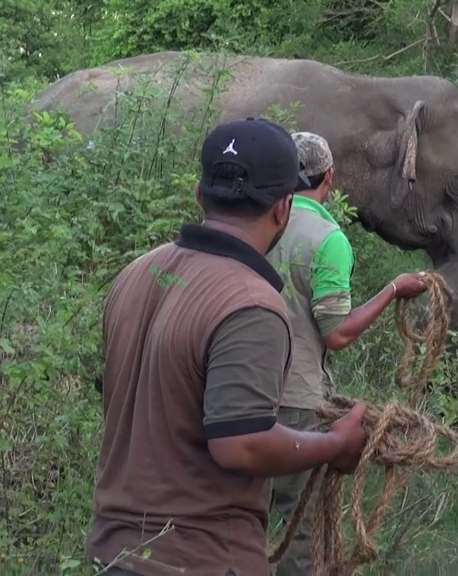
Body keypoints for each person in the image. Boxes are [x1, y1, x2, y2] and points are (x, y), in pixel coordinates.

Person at [87, 118, 370, 576]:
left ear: (201, 196)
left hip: (114, 553)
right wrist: (334, 444)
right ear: (282, 208)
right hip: (200, 560)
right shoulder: (251, 303)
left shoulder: (136, 273)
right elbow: (241, 446)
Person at [265, 132, 429, 576]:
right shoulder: (328, 237)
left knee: (239, 519)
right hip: (297, 402)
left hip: (239, 396)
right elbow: (336, 334)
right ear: (330, 177)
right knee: (298, 529)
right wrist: (393, 288)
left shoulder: (255, 222)